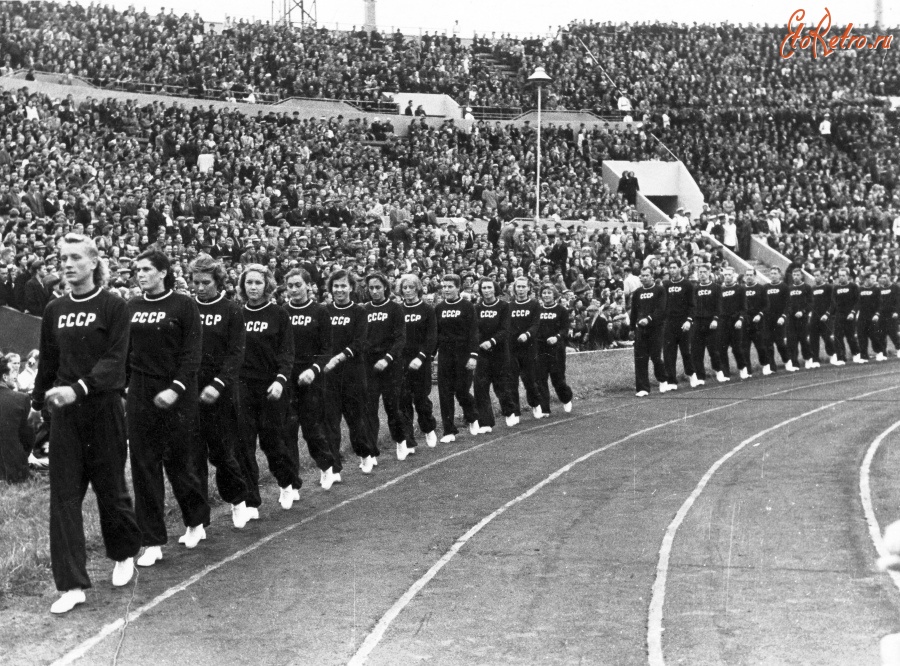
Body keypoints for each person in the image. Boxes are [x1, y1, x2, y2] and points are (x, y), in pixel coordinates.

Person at [31, 233, 141, 614]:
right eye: (63, 257)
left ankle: (124, 554)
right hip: (65, 414)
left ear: (94, 262)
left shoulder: (114, 306)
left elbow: (115, 361)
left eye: (76, 257)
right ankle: (72, 585)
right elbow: (48, 361)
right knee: (63, 498)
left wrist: (78, 388)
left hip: (103, 409)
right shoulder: (54, 308)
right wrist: (36, 403)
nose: (67, 264)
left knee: (111, 489)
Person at [127, 248, 209, 568]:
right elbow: (123, 350)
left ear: (163, 272)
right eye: (137, 270)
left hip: (177, 391)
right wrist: (123, 387)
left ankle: (195, 520)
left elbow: (192, 353)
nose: (141, 274)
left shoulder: (183, 305)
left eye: (147, 269)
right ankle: (151, 541)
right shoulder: (131, 306)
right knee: (144, 466)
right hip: (141, 391)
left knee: (179, 463)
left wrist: (176, 389)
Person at [189, 254, 252, 529]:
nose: (200, 288)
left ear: (218, 281)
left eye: (205, 282)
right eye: (196, 282)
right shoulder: (187, 308)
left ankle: (238, 502)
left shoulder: (232, 310)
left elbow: (236, 353)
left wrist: (218, 384)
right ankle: (198, 521)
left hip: (221, 392)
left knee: (222, 453)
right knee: (192, 456)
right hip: (190, 390)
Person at [235, 264, 300, 513]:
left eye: (258, 283)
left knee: (272, 442)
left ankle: (286, 483)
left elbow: (287, 352)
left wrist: (281, 380)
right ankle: (252, 500)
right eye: (248, 282)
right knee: (244, 444)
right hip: (243, 386)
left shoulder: (278, 314)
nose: (253, 287)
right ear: (242, 286)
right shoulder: (238, 313)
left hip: (272, 387)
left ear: (267, 285)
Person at [284, 268, 339, 489]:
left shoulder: (320, 311)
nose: (294, 289)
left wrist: (314, 370)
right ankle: (292, 482)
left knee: (312, 428)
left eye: (298, 285)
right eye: (290, 286)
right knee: (287, 430)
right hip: (287, 377)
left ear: (308, 286)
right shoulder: (283, 312)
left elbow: (327, 349)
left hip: (312, 377)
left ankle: (327, 467)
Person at [321, 269, 378, 473]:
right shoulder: (325, 311)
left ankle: (365, 453)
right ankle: (334, 467)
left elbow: (360, 342)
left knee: (356, 419)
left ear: (351, 288)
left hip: (353, 373)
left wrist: (338, 358)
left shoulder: (359, 311)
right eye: (335, 286)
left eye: (343, 285)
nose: (339, 290)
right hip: (329, 375)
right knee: (330, 422)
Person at [362, 272, 409, 460]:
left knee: (393, 407)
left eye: (378, 287)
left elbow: (400, 339)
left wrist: (387, 358)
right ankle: (371, 451)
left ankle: (401, 441)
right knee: (369, 409)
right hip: (370, 365)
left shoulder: (395, 308)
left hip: (391, 364)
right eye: (371, 288)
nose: (374, 291)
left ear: (385, 288)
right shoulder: (364, 309)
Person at [435, 273, 480, 442]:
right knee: (445, 393)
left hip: (464, 354)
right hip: (445, 355)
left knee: (461, 390)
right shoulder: (439, 308)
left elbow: (474, 332)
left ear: (458, 287)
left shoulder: (467, 306)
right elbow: (436, 334)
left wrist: (473, 356)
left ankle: (473, 416)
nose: (446, 290)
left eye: (450, 286)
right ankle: (449, 431)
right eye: (444, 287)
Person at [398, 273, 438, 451]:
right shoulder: (398, 310)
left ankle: (428, 429)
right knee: (403, 400)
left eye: (411, 287)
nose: (407, 291)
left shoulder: (427, 310)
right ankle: (408, 440)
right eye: (404, 288)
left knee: (421, 399)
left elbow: (431, 338)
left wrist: (421, 357)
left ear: (418, 289)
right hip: (401, 362)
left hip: (421, 361)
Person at [474, 277, 515, 431]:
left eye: (489, 287)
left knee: (501, 386)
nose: (486, 291)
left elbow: (505, 329)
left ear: (495, 289)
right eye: (483, 288)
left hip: (499, 352)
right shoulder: (476, 308)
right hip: (482, 353)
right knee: (480, 387)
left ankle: (509, 411)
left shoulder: (504, 306)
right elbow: (474, 329)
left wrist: (491, 341)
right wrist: (478, 342)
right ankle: (485, 422)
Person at [534, 283, 574, 411]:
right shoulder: (538, 310)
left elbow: (565, 329)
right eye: (544, 293)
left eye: (549, 293)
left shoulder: (561, 310)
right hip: (540, 348)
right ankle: (544, 408)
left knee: (558, 378)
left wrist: (556, 337)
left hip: (556, 349)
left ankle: (566, 399)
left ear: (554, 295)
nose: (546, 295)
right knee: (540, 378)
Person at [508, 276, 542, 419]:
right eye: (518, 287)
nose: (521, 289)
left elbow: (536, 325)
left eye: (523, 287)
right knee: (512, 380)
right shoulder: (509, 306)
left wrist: (527, 334)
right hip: (512, 348)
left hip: (529, 347)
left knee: (529, 379)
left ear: (528, 288)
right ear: (514, 289)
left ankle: (535, 404)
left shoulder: (534, 305)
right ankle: (515, 411)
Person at [630, 267, 666, 396]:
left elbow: (661, 309)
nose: (644, 278)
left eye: (647, 275)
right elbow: (634, 312)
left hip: (656, 328)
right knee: (640, 358)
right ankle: (643, 388)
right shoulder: (637, 292)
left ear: (652, 277)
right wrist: (631, 328)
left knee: (656, 356)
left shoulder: (660, 290)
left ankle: (662, 379)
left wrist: (649, 319)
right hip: (641, 329)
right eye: (642, 275)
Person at [661, 260, 694, 392]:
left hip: (683, 322)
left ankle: (691, 374)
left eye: (674, 267)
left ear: (680, 268)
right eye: (670, 267)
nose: (672, 270)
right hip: (669, 323)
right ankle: (671, 380)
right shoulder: (665, 285)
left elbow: (692, 305)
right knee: (669, 353)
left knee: (686, 351)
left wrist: (689, 320)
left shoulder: (687, 284)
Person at [0, 356, 33, 483]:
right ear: (4, 377)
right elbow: (29, 437)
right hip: (13, 468)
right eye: (13, 373)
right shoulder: (22, 399)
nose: (16, 377)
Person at [688, 264, 720, 387]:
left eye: (704, 272)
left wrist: (715, 319)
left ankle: (718, 370)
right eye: (700, 272)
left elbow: (719, 305)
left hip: (711, 322)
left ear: (709, 272)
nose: (702, 274)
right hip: (698, 322)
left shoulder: (716, 287)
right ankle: (701, 376)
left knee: (713, 350)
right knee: (696, 351)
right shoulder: (695, 289)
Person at [717, 266, 746, 381]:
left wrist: (740, 319)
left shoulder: (740, 289)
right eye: (725, 275)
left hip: (736, 322)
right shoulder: (720, 290)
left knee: (736, 348)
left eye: (729, 275)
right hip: (723, 322)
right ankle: (726, 372)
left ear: (733, 275)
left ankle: (742, 367)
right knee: (722, 348)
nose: (727, 277)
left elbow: (744, 307)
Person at [763, 267, 791, 375]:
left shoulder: (784, 287)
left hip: (780, 320)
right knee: (768, 344)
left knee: (780, 344)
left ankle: (787, 361)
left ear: (780, 275)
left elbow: (788, 304)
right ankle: (772, 366)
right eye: (771, 273)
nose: (773, 275)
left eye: (775, 273)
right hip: (768, 320)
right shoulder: (765, 287)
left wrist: (783, 316)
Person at [809, 269, 839, 367]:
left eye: (818, 275)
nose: (816, 277)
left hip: (826, 317)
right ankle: (815, 360)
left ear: (822, 276)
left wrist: (827, 314)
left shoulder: (829, 287)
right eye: (815, 275)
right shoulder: (812, 288)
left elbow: (833, 302)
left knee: (827, 337)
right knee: (813, 339)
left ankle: (833, 353)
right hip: (814, 317)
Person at [785, 267, 813, 371]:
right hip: (792, 319)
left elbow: (811, 303)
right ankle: (794, 362)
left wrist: (803, 311)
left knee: (804, 340)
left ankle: (808, 358)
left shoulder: (807, 287)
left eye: (797, 275)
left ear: (801, 276)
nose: (795, 277)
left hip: (803, 318)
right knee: (792, 341)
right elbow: (787, 303)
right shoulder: (789, 288)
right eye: (794, 275)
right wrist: (791, 312)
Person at [742, 269, 768, 375]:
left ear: (755, 276)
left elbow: (766, 305)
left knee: (761, 346)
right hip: (745, 322)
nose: (749, 277)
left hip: (758, 322)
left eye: (751, 275)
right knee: (745, 348)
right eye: (747, 275)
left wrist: (760, 315)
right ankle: (748, 370)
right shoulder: (741, 289)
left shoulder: (761, 288)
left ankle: (765, 364)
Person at [832, 267, 859, 365]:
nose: (841, 277)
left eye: (843, 275)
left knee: (850, 337)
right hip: (839, 315)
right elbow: (834, 302)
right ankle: (841, 357)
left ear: (848, 276)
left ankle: (856, 354)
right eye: (840, 276)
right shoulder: (836, 288)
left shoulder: (853, 286)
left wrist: (853, 312)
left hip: (850, 315)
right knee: (837, 337)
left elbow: (857, 301)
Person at [857, 272, 881, 362]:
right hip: (862, 316)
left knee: (873, 335)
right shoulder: (860, 289)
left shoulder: (876, 289)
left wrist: (877, 314)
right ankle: (864, 356)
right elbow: (858, 302)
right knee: (861, 336)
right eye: (871, 278)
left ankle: (879, 351)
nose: (873, 280)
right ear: (866, 279)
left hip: (872, 316)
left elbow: (879, 303)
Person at [876, 273, 900, 359]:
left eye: (885, 277)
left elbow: (898, 301)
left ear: (889, 278)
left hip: (891, 314)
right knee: (881, 334)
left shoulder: (895, 287)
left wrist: (896, 312)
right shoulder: (879, 289)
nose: (884, 279)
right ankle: (883, 352)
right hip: (881, 315)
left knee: (893, 333)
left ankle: (898, 349)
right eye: (882, 278)